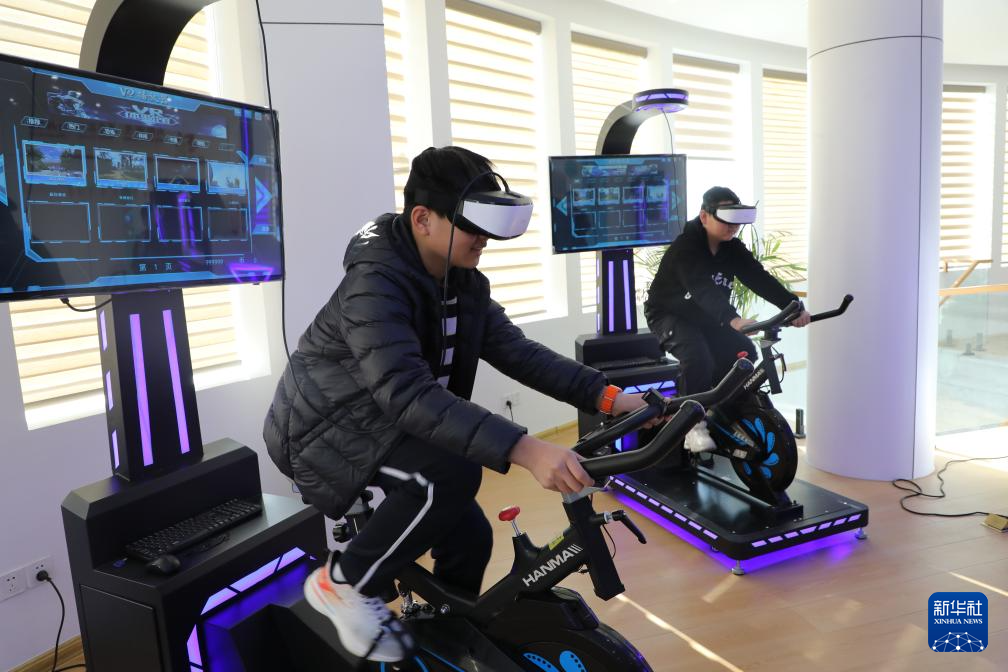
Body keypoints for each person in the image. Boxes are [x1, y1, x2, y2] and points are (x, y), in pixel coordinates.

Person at [263, 146, 653, 662]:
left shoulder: (461, 282)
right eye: (471, 225)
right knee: (449, 474)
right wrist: (526, 448)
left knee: (470, 534)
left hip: (385, 417)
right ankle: (343, 583)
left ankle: (445, 641)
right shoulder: (374, 285)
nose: (483, 238)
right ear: (423, 219)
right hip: (325, 429)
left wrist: (610, 397)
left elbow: (518, 352)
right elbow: (405, 391)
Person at [643, 186, 810, 452]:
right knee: (697, 358)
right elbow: (701, 288)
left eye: (736, 221)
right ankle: (691, 426)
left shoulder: (732, 248)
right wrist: (732, 319)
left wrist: (793, 307)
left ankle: (721, 410)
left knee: (744, 354)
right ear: (704, 216)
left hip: (706, 317)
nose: (733, 228)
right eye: (726, 220)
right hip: (669, 314)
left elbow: (758, 277)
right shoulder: (685, 248)